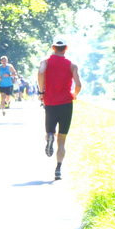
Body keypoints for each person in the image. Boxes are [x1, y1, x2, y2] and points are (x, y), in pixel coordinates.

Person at [37, 39, 82, 181]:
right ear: (66, 48)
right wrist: (74, 94)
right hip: (66, 103)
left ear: (53, 48)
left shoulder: (45, 61)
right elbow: (79, 84)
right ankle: (58, 169)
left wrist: (41, 92)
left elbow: (40, 72)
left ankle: (50, 136)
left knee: (50, 131)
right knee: (62, 139)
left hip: (50, 102)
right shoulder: (72, 65)